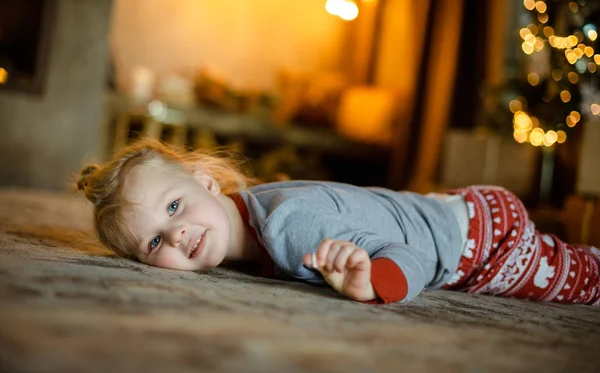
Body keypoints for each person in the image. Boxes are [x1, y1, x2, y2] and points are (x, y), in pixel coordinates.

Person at [76, 138, 600, 305]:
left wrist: (369, 282)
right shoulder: (248, 212)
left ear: (207, 182)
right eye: (153, 243)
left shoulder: (290, 229)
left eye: (174, 209)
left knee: (578, 282)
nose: (178, 235)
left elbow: (410, 262)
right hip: (445, 208)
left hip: (479, 242)